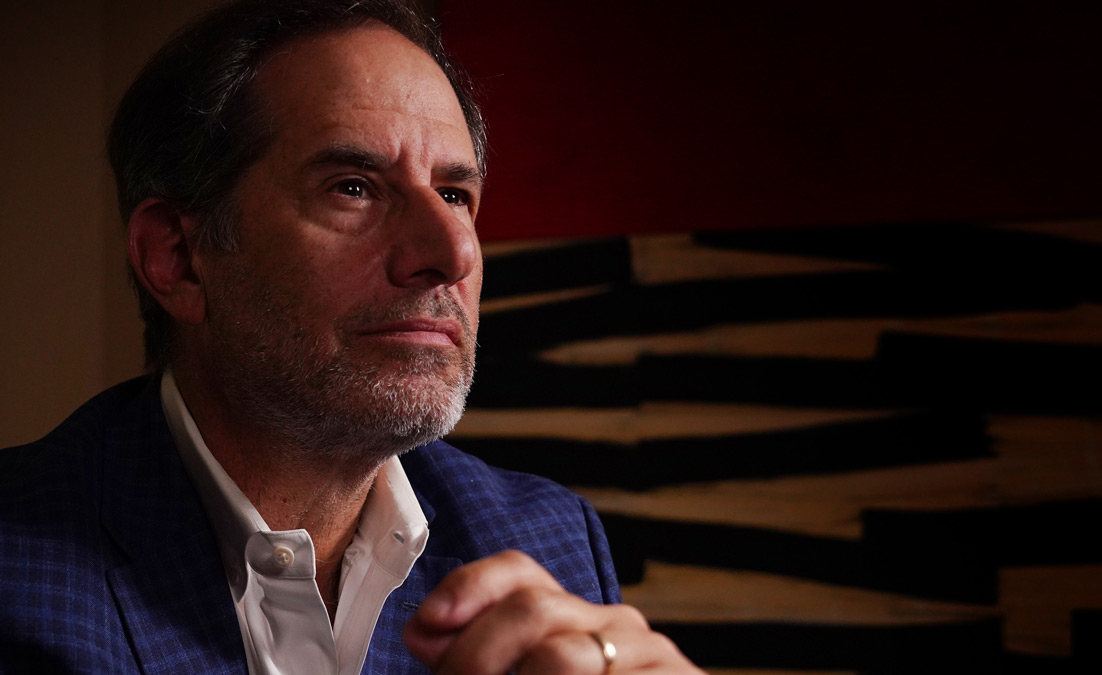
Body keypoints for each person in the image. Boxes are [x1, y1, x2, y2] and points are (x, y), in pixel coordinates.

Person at [0, 1, 700, 673]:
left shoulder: (550, 539)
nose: (453, 252)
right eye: (354, 187)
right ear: (178, 257)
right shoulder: (20, 565)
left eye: (455, 195)